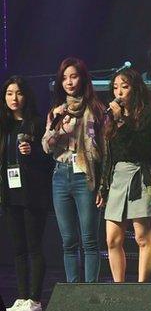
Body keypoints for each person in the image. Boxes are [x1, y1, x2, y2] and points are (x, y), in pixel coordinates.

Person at [43, 58, 106, 283]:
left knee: (89, 240)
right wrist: (59, 131)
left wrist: (102, 186)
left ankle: (89, 295)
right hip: (60, 176)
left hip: (85, 177)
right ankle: (72, 292)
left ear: (82, 79)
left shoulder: (95, 110)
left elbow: (104, 151)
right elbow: (46, 146)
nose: (69, 82)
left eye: (74, 76)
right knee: (68, 241)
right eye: (64, 78)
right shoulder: (56, 112)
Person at [99, 69, 151, 282]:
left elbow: (142, 149)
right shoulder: (111, 119)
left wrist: (122, 122)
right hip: (118, 178)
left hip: (140, 176)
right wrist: (103, 186)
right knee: (112, 239)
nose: (119, 92)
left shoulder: (148, 115)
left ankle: (141, 288)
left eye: (124, 87)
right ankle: (120, 287)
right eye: (115, 87)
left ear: (135, 89)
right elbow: (108, 156)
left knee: (142, 237)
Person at [1, 77, 52, 311]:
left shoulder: (37, 124)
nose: (13, 98)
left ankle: (35, 297)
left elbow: (48, 159)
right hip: (10, 194)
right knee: (18, 248)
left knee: (34, 247)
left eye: (18, 93)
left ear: (26, 96)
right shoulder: (4, 126)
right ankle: (21, 297)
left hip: (33, 193)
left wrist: (32, 153)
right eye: (9, 93)